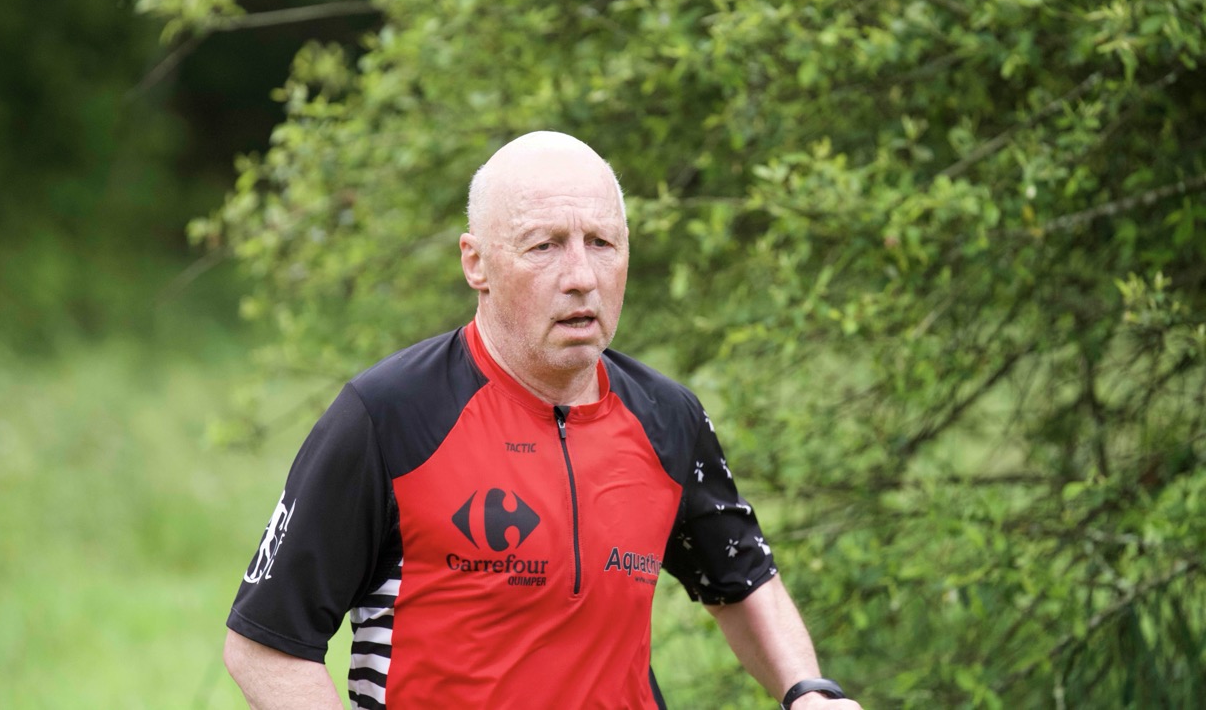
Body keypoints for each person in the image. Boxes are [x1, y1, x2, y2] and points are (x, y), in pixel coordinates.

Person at [223, 131, 861, 710]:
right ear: (476, 263)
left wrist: (807, 692)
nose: (581, 277)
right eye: (545, 246)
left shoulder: (669, 419)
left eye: (601, 243)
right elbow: (265, 647)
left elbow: (742, 579)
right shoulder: (389, 416)